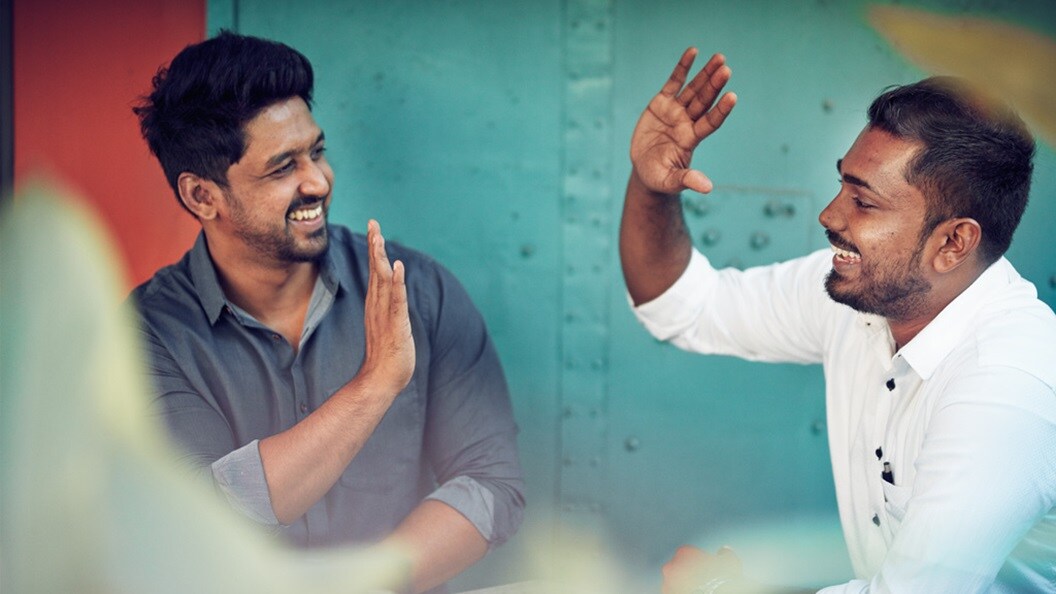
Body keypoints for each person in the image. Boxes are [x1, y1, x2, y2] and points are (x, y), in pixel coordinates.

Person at [620, 48, 1056, 593]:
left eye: (863, 202)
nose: (830, 215)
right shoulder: (864, 295)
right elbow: (684, 306)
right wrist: (652, 187)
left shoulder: (1007, 387)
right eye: (843, 185)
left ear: (952, 243)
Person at [129, 31, 524, 594]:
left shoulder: (420, 291)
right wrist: (374, 386)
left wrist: (363, 583)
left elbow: (491, 483)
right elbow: (199, 518)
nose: (318, 181)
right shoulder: (147, 337)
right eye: (282, 167)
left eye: (316, 151)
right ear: (202, 196)